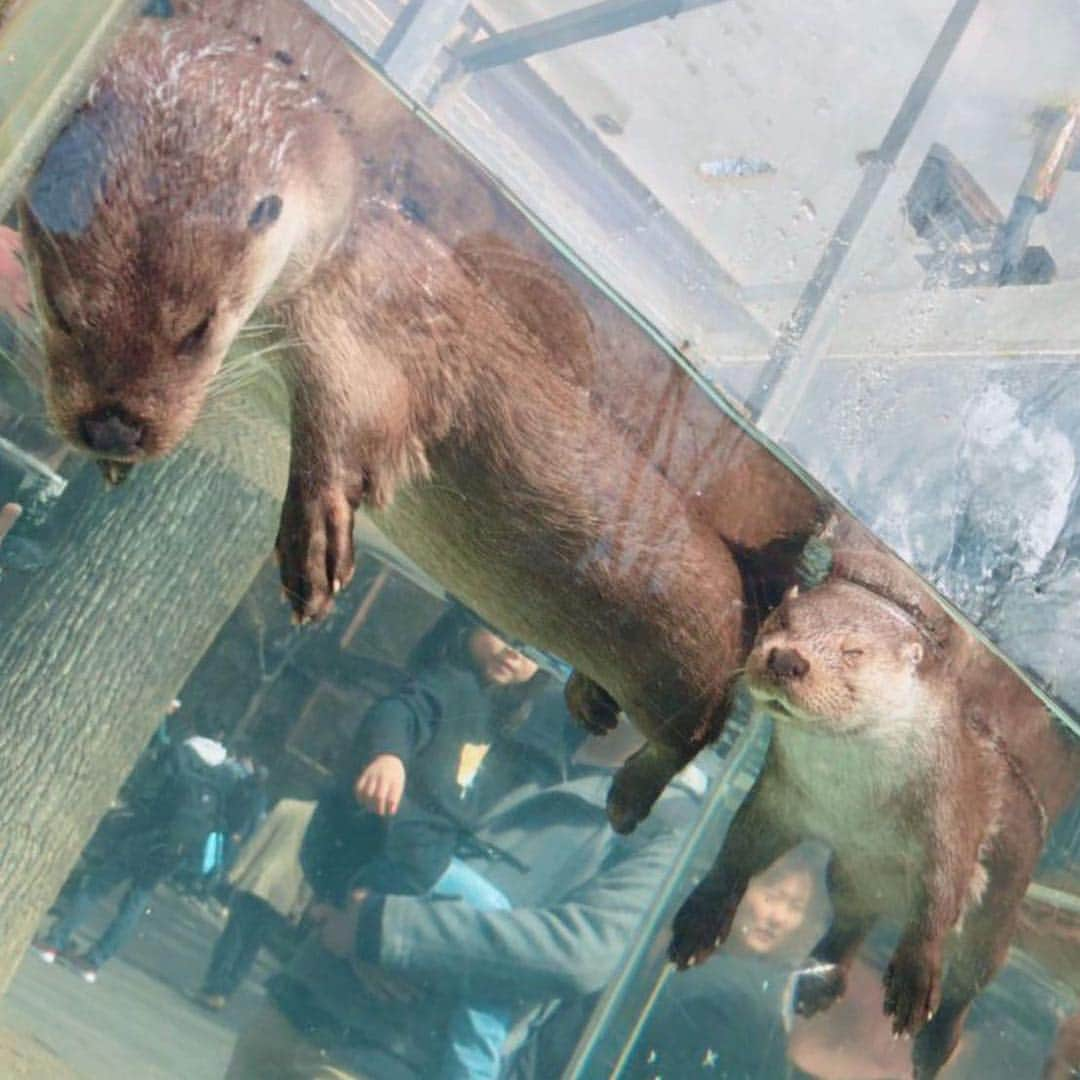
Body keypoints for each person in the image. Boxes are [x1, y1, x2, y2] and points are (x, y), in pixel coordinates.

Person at [225, 688, 705, 1080]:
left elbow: (580, 952)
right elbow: (357, 809)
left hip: (397, 1056)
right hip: (298, 1003)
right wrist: (339, 899)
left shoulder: (666, 823)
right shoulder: (505, 712)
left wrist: (381, 929)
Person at [299, 606, 547, 1080]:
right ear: (469, 624)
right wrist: (390, 757)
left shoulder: (498, 717)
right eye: (504, 628)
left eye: (535, 650)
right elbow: (401, 709)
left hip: (409, 865)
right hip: (408, 856)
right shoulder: (449, 684)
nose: (515, 651)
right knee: (495, 924)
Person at [30, 729, 235, 983]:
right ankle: (93, 962)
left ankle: (54, 941)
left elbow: (148, 791)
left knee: (97, 886)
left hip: (144, 835)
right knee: (135, 905)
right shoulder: (221, 776)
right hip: (173, 852)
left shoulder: (179, 755)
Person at [617, 844, 830, 1080]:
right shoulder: (697, 970)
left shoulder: (778, 992)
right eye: (771, 896)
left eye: (795, 907)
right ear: (737, 889)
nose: (778, 917)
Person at [196, 798, 316, 1010]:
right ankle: (225, 991)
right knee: (251, 947)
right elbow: (312, 876)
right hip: (284, 895)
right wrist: (299, 906)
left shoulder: (287, 807)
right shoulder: (324, 830)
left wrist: (236, 872)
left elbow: (258, 841)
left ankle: (213, 987)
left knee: (233, 936)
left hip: (259, 881)